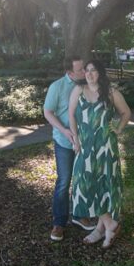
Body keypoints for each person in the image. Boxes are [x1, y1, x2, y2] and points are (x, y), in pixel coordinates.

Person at [67, 59, 131, 248]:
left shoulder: (111, 92)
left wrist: (118, 129)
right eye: (87, 70)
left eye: (94, 70)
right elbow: (71, 115)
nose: (90, 74)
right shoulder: (78, 90)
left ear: (100, 73)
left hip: (106, 147)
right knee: (84, 184)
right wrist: (76, 140)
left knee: (104, 184)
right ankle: (110, 223)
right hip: (85, 146)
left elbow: (126, 113)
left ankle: (101, 229)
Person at [43, 57, 95, 241]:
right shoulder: (57, 87)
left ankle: (80, 215)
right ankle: (59, 223)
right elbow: (47, 112)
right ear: (70, 72)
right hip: (65, 142)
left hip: (86, 142)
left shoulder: (88, 85)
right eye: (81, 69)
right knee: (64, 182)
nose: (85, 72)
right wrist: (64, 130)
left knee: (83, 179)